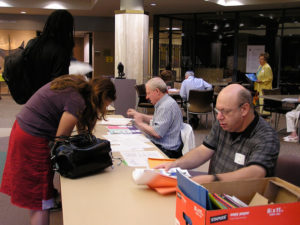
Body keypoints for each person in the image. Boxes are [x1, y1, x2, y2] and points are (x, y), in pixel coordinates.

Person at [0, 75, 116, 225]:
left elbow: (78, 129)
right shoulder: (77, 101)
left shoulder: (78, 86)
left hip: (26, 129)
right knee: (40, 196)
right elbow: (61, 143)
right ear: (100, 98)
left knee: (41, 189)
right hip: (31, 138)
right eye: (105, 106)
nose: (104, 110)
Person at [156, 84, 279, 184]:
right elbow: (203, 151)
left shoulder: (266, 136)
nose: (219, 117)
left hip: (241, 203)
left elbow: (255, 173)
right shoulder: (224, 123)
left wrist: (212, 180)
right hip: (213, 193)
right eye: (218, 110)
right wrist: (175, 164)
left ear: (244, 109)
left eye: (225, 111)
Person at [127, 77, 183, 158]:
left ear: (157, 91)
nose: (146, 97)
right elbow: (158, 119)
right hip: (163, 146)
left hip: (166, 151)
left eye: (148, 93)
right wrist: (141, 116)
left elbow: (157, 133)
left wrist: (140, 123)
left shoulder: (166, 106)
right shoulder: (165, 102)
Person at [26, 9, 75, 96]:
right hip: (49, 98)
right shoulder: (61, 49)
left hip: (31, 96)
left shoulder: (33, 43)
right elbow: (59, 81)